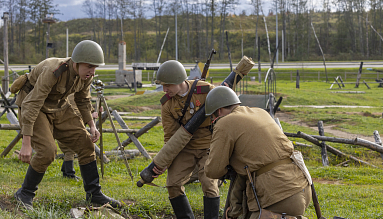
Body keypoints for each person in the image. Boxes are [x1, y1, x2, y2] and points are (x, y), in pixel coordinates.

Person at [13, 40, 121, 209]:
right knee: (48, 151)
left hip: (59, 106)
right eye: (89, 67)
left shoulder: (86, 76)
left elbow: (83, 100)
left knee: (86, 143)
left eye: (95, 68)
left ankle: (94, 194)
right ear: (76, 63)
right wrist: (26, 144)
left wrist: (92, 125)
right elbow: (32, 104)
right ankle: (25, 193)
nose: (92, 72)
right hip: (35, 106)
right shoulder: (53, 70)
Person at [204, 86, 312, 219]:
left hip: (277, 196)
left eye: (212, 117)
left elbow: (213, 171)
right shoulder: (260, 112)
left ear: (219, 111)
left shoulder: (224, 123)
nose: (213, 121)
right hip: (302, 187)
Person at [153, 60, 220, 219]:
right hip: (185, 148)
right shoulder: (167, 104)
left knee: (209, 185)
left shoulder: (205, 90)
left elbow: (225, 111)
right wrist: (165, 161)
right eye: (162, 86)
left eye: (167, 85)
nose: (164, 89)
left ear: (179, 81)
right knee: (173, 184)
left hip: (209, 145)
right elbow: (170, 136)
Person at [57, 93, 101, 180]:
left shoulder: (81, 95)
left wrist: (96, 111)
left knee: (70, 151)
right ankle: (69, 174)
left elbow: (86, 108)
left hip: (71, 127)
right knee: (69, 151)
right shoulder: (70, 96)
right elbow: (73, 113)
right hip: (66, 126)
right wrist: (90, 116)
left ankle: (65, 171)